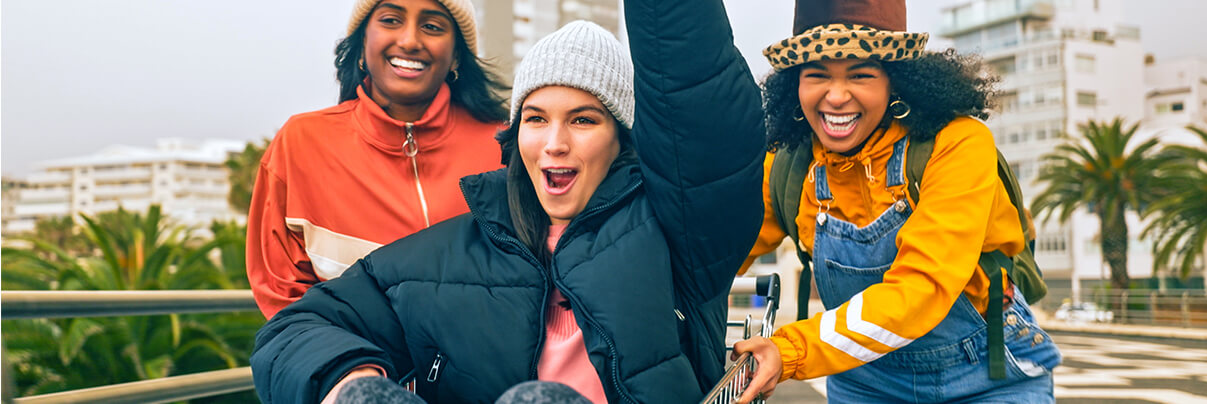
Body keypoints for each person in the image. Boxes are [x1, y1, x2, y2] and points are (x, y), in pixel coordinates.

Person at [250, 0, 766, 401]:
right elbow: (297, 327)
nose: (554, 143)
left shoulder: (680, 237)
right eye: (536, 118)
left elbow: (699, 112)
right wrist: (353, 382)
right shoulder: (462, 242)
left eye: (583, 119)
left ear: (621, 138)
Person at [731, 0, 1062, 402]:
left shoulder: (958, 144)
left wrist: (791, 351)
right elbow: (718, 257)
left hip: (986, 374)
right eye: (816, 74)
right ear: (794, 83)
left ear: (895, 81)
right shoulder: (787, 164)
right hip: (863, 380)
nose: (836, 96)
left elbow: (921, 287)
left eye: (861, 74)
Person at [247, 0, 509, 318]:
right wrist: (352, 366)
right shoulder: (302, 142)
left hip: (486, 365)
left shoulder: (506, 144)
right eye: (390, 20)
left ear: (456, 55)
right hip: (351, 364)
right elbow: (284, 296)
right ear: (361, 45)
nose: (410, 41)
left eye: (432, 26)